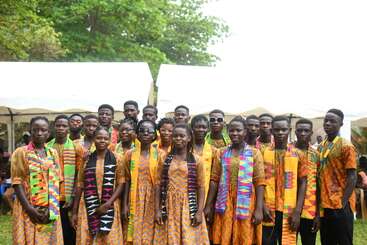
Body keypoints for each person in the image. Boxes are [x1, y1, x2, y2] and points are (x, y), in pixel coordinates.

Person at [205, 116, 265, 245]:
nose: (235, 133)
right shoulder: (221, 152)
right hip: (224, 201)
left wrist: (259, 208)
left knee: (244, 236)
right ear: (228, 131)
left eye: (239, 130)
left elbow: (259, 182)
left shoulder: (255, 153)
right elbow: (214, 179)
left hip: (246, 201)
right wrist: (209, 205)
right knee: (225, 237)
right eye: (232, 130)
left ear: (245, 132)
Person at [154, 124, 209, 244]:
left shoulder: (196, 160)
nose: (178, 139)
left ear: (189, 138)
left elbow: (201, 187)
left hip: (188, 205)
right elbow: (158, 184)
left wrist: (199, 211)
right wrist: (157, 209)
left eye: (182, 136)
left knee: (188, 238)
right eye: (175, 136)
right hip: (168, 204)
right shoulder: (164, 158)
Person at [11, 116, 63, 244]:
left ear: (48, 133)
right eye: (35, 130)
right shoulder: (21, 152)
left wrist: (53, 207)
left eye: (43, 130)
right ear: (31, 131)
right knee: (29, 238)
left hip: (50, 207)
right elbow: (17, 183)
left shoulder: (52, 153)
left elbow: (58, 180)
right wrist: (29, 208)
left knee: (47, 239)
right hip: (28, 206)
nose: (39, 133)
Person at [71, 126, 124, 245]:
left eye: (105, 138)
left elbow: (121, 183)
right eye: (99, 138)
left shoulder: (117, 158)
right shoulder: (86, 159)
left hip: (110, 204)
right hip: (87, 205)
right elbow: (80, 185)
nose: (102, 141)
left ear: (110, 140)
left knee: (110, 239)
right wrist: (74, 212)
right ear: (94, 139)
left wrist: (108, 204)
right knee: (87, 238)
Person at [262, 116, 308, 245]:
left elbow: (303, 182)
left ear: (289, 130)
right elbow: (258, 182)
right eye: (277, 130)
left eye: (283, 129)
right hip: (268, 209)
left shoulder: (298, 154)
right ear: (272, 131)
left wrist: (297, 212)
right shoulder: (263, 152)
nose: (280, 133)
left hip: (289, 209)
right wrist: (262, 205)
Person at [318, 109, 357, 245]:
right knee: (327, 241)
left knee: (344, 241)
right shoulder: (321, 146)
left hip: (341, 204)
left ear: (341, 124)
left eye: (332, 121)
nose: (327, 123)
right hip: (325, 204)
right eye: (326, 120)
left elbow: (352, 176)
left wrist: (343, 203)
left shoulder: (346, 146)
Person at [122, 120, 162, 244]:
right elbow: (126, 180)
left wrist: (159, 207)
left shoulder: (161, 155)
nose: (146, 133)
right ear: (137, 134)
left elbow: (162, 183)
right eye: (142, 131)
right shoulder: (129, 154)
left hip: (153, 197)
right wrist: (125, 204)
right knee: (134, 229)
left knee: (151, 230)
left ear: (154, 135)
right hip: (135, 197)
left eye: (149, 131)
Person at [47, 114, 84, 245]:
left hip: (69, 196)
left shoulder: (76, 147)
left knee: (69, 230)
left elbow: (80, 173)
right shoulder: (47, 147)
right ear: (53, 127)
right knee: (54, 229)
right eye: (58, 125)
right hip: (52, 195)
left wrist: (73, 195)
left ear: (68, 128)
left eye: (64, 126)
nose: (61, 128)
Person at [294, 118, 320, 245]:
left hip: (310, 210)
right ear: (295, 132)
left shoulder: (316, 155)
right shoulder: (288, 152)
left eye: (306, 131)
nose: (303, 133)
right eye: (300, 130)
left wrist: (318, 214)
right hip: (290, 208)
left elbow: (319, 185)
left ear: (311, 133)